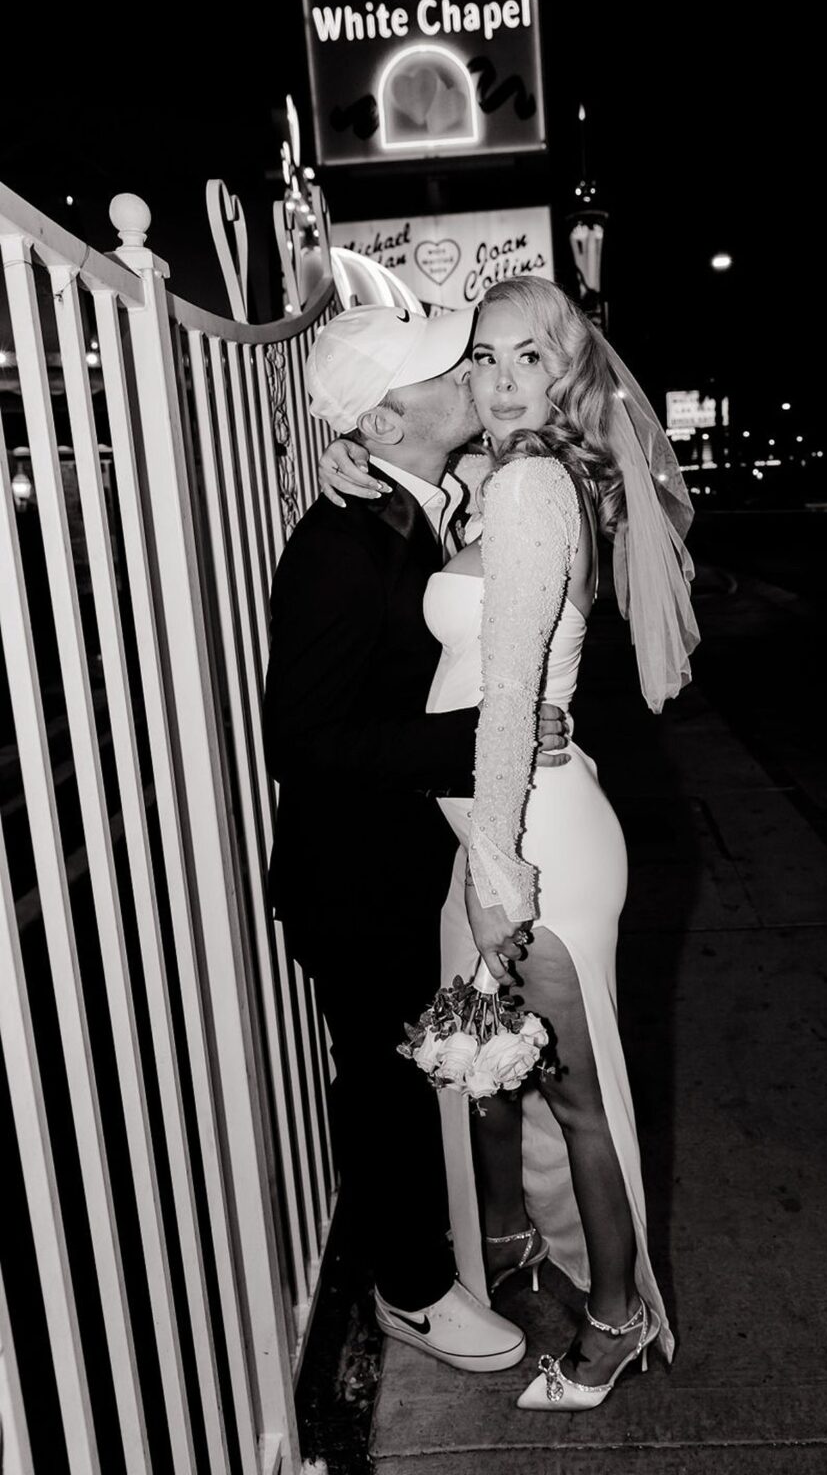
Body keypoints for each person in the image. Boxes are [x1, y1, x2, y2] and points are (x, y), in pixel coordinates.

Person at [318, 277, 699, 1410]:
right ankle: (530, 1241)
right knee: (501, 1077)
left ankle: (617, 1322)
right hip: (508, 822)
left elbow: (505, 701)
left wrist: (493, 873)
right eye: (480, 357)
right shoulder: (499, 481)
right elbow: (479, 630)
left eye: (525, 359)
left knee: (571, 1095)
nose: (494, 379)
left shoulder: (530, 485)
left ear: (565, 375)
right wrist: (342, 455)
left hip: (532, 838)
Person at [263, 303, 570, 1374]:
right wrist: (476, 736)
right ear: (389, 421)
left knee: (427, 1070)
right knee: (387, 1085)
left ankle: (448, 1245)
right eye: (457, 366)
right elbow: (300, 741)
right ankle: (409, 1288)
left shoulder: (422, 497)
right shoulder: (338, 546)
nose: (479, 376)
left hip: (407, 862)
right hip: (355, 879)